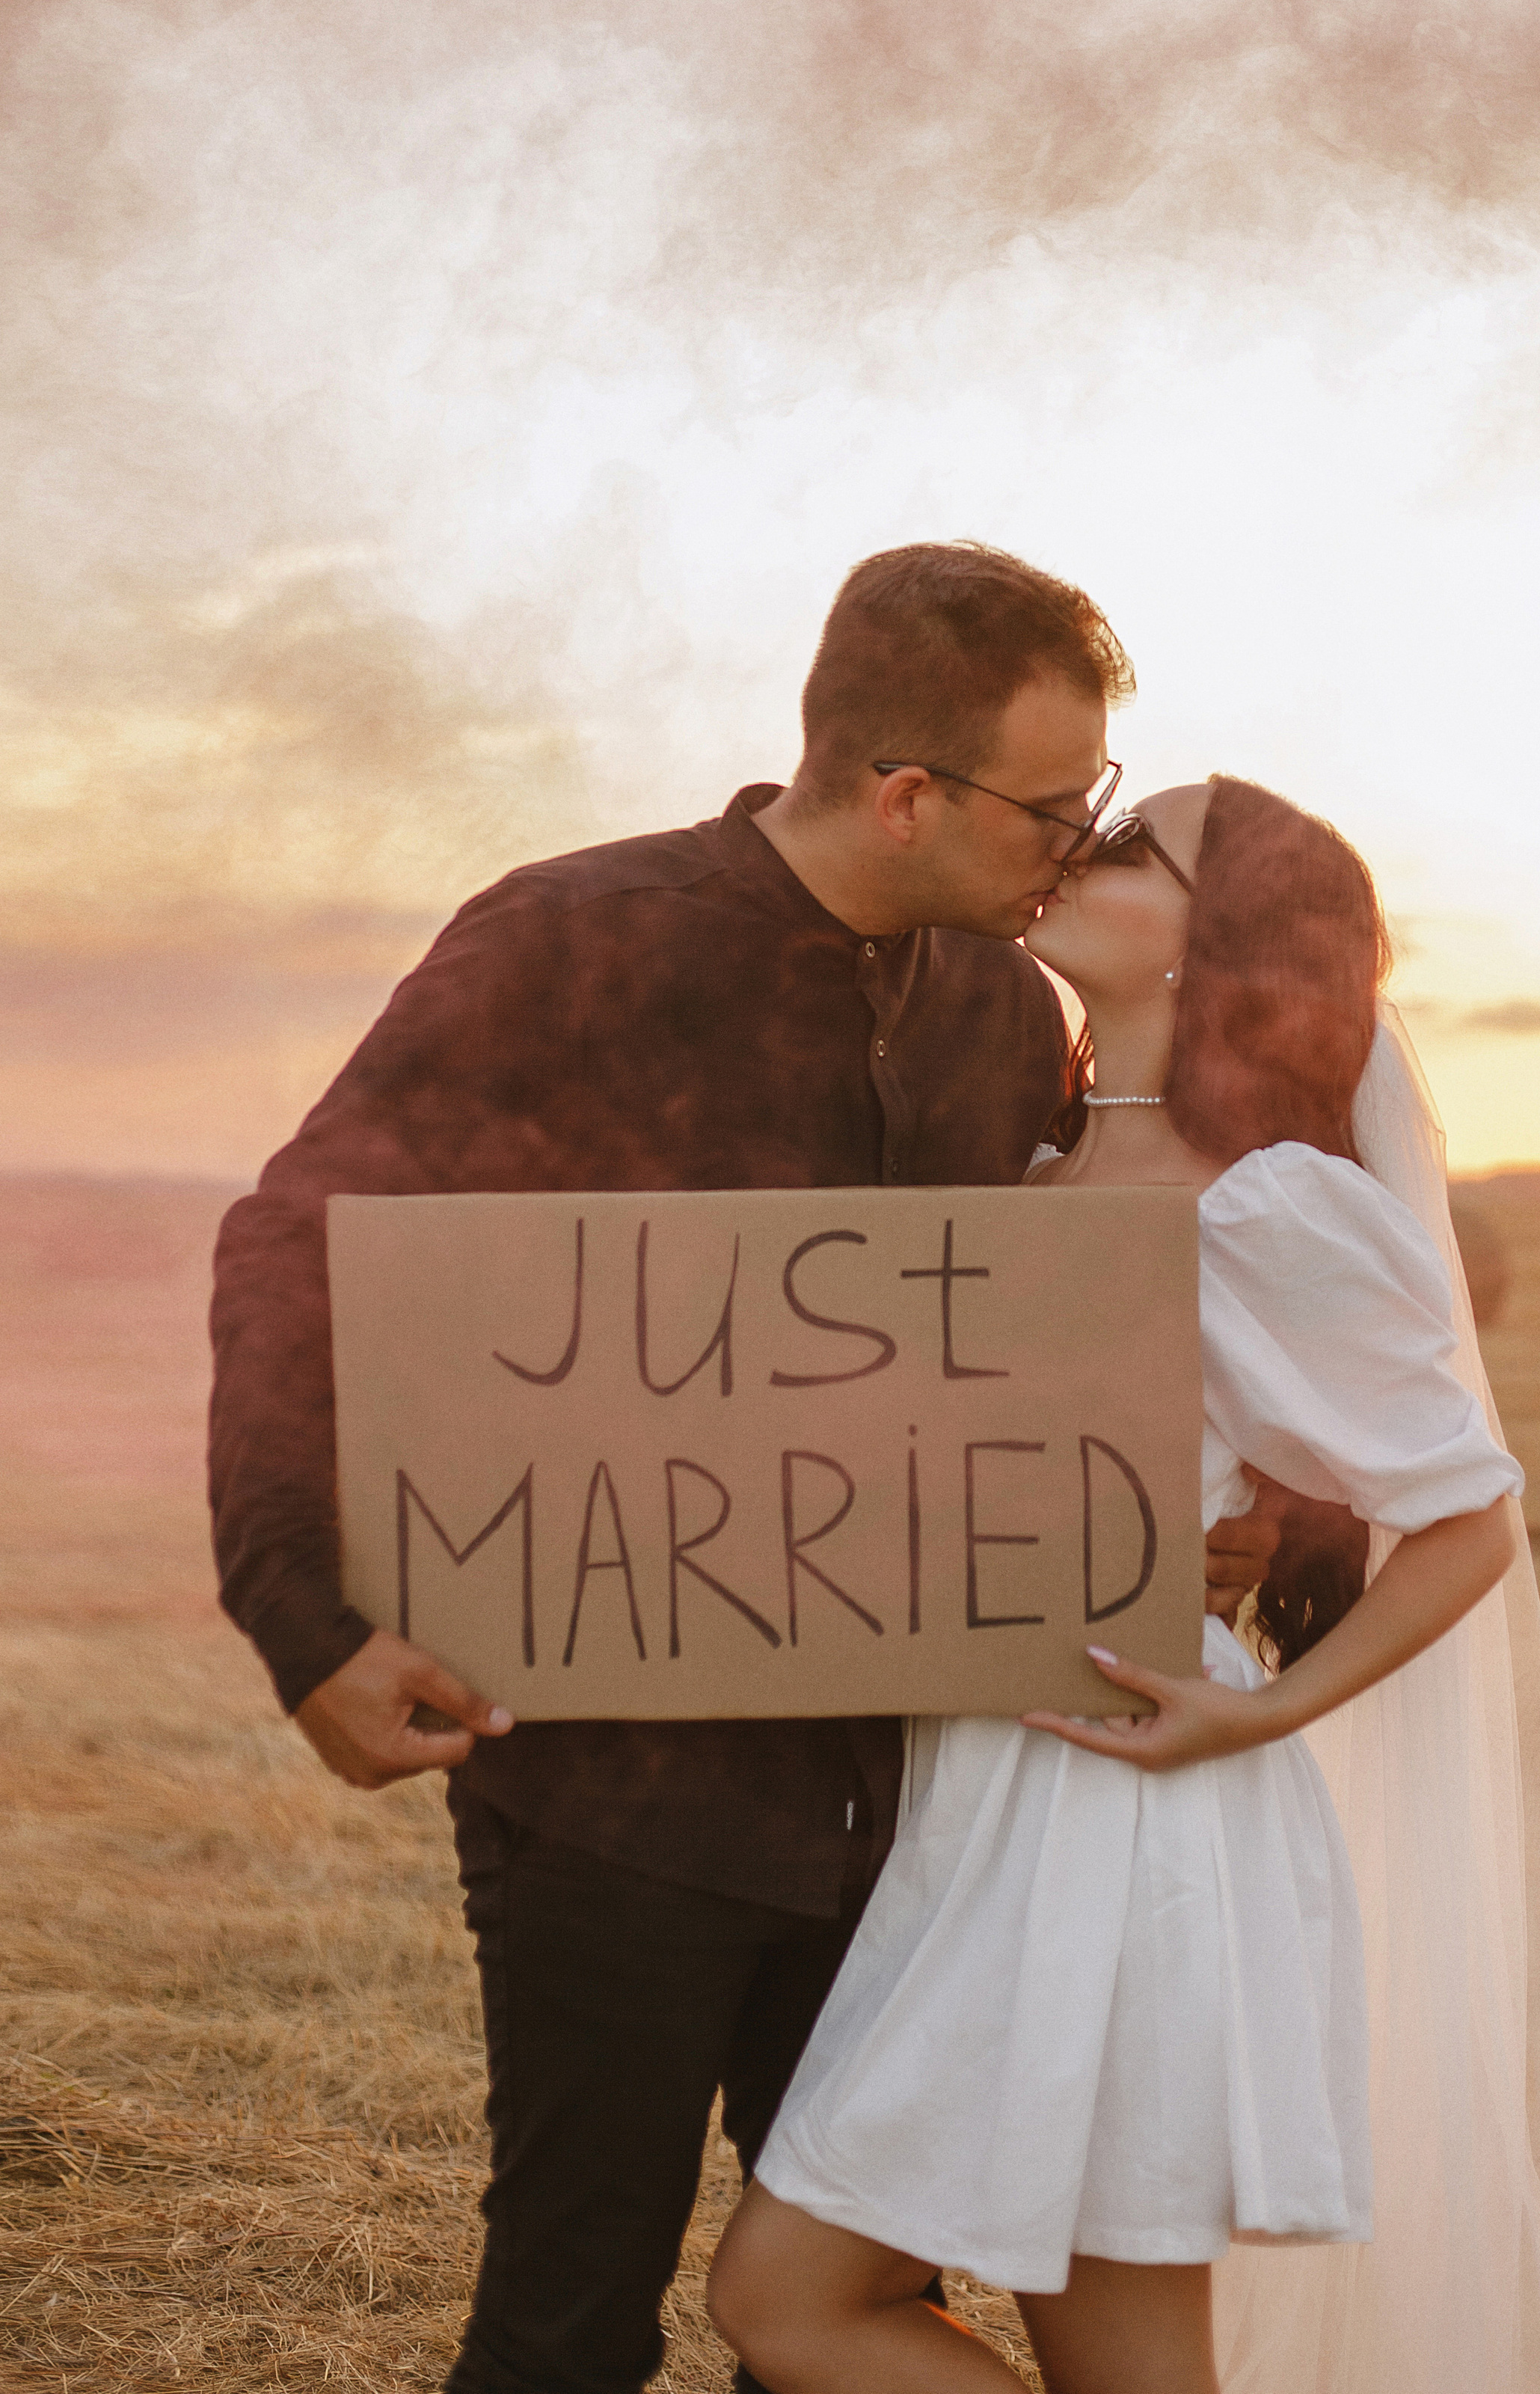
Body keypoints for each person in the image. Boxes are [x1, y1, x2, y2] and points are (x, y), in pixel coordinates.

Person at [206, 546, 1289, 2394]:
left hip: (920, 1808)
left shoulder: (1005, 1013)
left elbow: (1046, 1330)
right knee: (566, 2321)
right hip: (615, 1795)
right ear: (904, 793)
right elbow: (298, 1243)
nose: (1076, 842)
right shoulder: (563, 941)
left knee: (843, 2331)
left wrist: (1193, 1512)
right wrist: (301, 1617)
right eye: (1053, 805)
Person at [708, 777, 1540, 2394]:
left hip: (1127, 1819)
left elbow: (1465, 1518)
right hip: (985, 1797)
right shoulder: (1033, 1172)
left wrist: (1260, 1714)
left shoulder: (1261, 1203)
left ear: (1210, 943)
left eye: (1127, 845)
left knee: (783, 2298)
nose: (1074, 853)